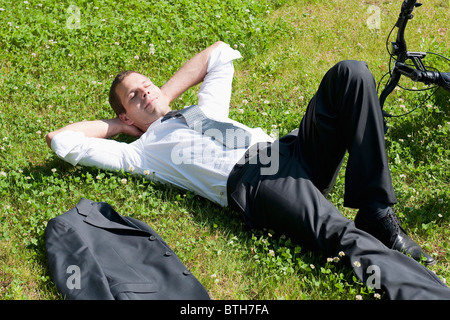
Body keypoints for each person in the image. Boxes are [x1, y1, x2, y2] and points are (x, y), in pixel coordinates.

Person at [45, 41, 450, 299]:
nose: (145, 92)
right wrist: (119, 129)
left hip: (290, 151)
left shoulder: (205, 110)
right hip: (258, 182)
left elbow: (219, 53)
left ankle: (376, 211)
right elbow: (62, 141)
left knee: (352, 73)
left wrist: (165, 96)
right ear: (126, 114)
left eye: (146, 84)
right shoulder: (142, 154)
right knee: (340, 237)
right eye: (134, 95)